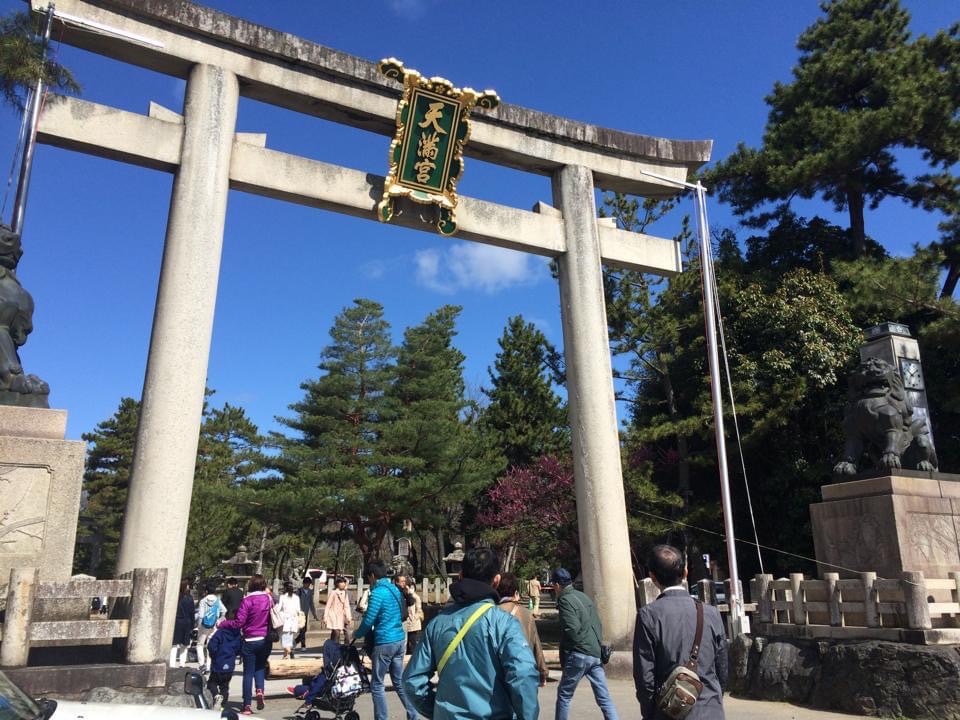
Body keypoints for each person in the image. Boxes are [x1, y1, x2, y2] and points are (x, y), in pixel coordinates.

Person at [403, 548, 539, 720]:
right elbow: (523, 674)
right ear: (496, 580)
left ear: (460, 576)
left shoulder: (438, 623)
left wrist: (438, 710)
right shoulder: (503, 623)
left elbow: (412, 682)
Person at [633, 545, 728, 720]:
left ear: (652, 577)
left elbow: (645, 677)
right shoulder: (711, 613)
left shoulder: (648, 616)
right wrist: (713, 699)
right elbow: (722, 668)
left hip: (670, 712)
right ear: (685, 571)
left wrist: (650, 713)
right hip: (710, 709)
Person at [354, 561, 419, 720]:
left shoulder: (377, 593)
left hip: (384, 641)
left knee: (377, 685)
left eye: (369, 578)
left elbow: (369, 620)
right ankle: (413, 714)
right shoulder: (395, 591)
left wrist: (357, 634)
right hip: (399, 641)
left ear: (372, 576)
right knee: (398, 681)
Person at [553, 567, 618, 720]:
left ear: (556, 585)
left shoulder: (564, 599)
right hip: (595, 653)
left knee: (564, 695)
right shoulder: (583, 596)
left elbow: (571, 629)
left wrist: (570, 650)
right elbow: (597, 623)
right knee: (604, 697)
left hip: (579, 653)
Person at [217, 573, 274, 715]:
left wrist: (223, 623)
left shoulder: (247, 601)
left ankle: (247, 705)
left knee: (248, 673)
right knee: (260, 667)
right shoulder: (268, 599)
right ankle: (260, 691)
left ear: (251, 585)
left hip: (250, 639)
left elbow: (239, 622)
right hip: (265, 639)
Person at [497, 572, 548, 687]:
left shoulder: (490, 612)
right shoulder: (525, 614)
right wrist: (542, 671)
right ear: (516, 593)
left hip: (498, 672)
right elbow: (536, 643)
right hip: (524, 670)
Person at [206, 608, 242, 708]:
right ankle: (223, 706)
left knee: (211, 683)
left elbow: (211, 646)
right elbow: (239, 648)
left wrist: (214, 655)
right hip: (230, 664)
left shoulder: (220, 633)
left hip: (218, 663)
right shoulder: (237, 634)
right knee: (225, 686)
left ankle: (216, 696)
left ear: (225, 619)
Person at [196, 582, 226, 655]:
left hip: (204, 625)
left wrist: (199, 626)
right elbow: (224, 610)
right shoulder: (218, 600)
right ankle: (209, 664)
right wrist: (219, 620)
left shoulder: (203, 601)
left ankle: (201, 664)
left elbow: (201, 615)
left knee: (200, 644)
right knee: (211, 645)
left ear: (206, 591)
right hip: (214, 625)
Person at [323, 575, 353, 645]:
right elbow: (328, 605)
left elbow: (347, 606)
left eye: (344, 582)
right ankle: (335, 647)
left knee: (337, 632)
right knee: (336, 632)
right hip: (333, 615)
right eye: (341, 582)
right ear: (337, 584)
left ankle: (334, 646)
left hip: (341, 616)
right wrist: (325, 617)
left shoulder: (345, 593)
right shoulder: (333, 593)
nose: (343, 584)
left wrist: (349, 616)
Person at [399, 575, 424, 655]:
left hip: (413, 622)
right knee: (405, 642)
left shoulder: (416, 597)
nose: (411, 589)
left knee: (412, 641)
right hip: (406, 622)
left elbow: (419, 609)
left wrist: (414, 617)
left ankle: (413, 656)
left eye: (412, 587)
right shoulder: (404, 596)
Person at [278, 581, 301, 659]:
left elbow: (278, 609)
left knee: (284, 639)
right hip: (293, 620)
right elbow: (298, 609)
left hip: (285, 620)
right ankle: (285, 656)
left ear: (284, 588)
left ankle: (290, 652)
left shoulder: (282, 597)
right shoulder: (296, 597)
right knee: (289, 639)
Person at [295, 577, 319, 649]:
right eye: (306, 584)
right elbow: (295, 602)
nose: (308, 585)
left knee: (304, 630)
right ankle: (303, 645)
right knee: (302, 630)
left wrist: (314, 614)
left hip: (305, 613)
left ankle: (295, 641)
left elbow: (311, 604)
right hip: (299, 613)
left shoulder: (310, 592)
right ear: (304, 583)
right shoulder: (299, 591)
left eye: (309, 584)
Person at [174, 580, 195, 647]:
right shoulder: (189, 598)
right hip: (187, 622)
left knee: (174, 644)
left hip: (177, 622)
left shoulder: (176, 597)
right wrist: (192, 624)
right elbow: (192, 612)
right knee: (185, 645)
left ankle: (172, 658)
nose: (189, 587)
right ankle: (182, 658)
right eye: (188, 585)